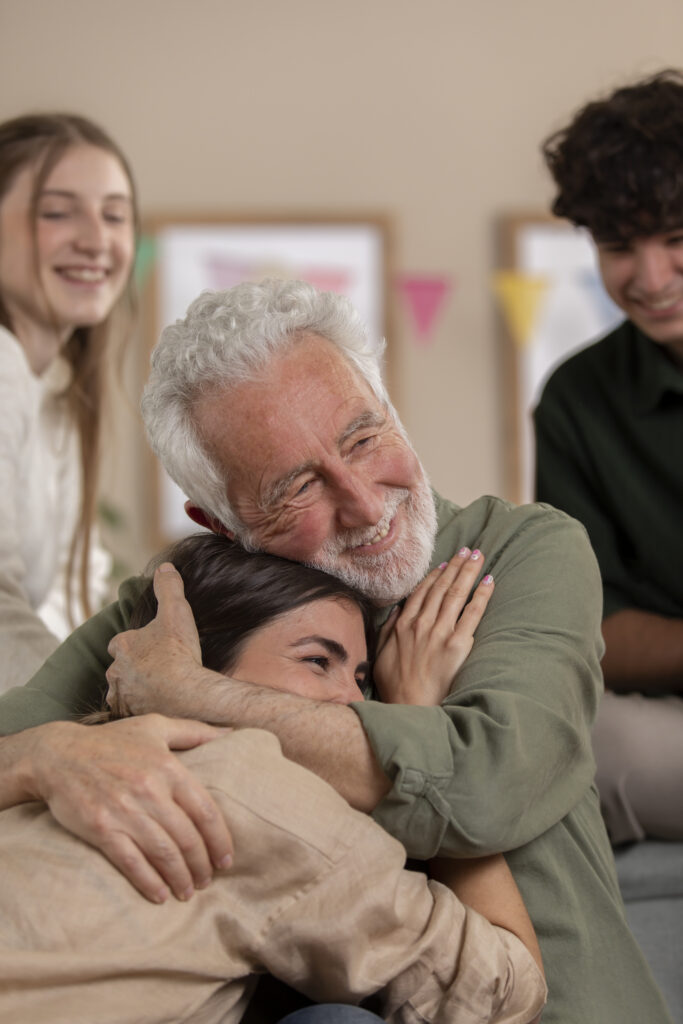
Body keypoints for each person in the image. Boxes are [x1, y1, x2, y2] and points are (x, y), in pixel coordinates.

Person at [0, 280, 673, 1024]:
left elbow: (487, 783)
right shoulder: (175, 602)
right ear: (219, 521)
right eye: (296, 487)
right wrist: (47, 756)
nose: (361, 503)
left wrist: (191, 697)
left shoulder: (520, 551)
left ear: (391, 409)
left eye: (362, 437)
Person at [0, 534, 547, 1024]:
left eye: (362, 679)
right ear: (200, 671)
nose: (358, 704)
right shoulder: (260, 792)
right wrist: (421, 727)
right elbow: (506, 989)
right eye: (316, 662)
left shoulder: (66, 763)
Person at [535, 69, 683, 845]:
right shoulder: (575, 400)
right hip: (666, 725)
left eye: (676, 238)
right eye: (620, 247)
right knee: (580, 745)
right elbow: (589, 633)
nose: (651, 278)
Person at [0, 112, 138, 693]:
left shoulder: (53, 396)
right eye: (56, 212)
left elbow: (68, 593)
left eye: (114, 215)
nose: (96, 239)